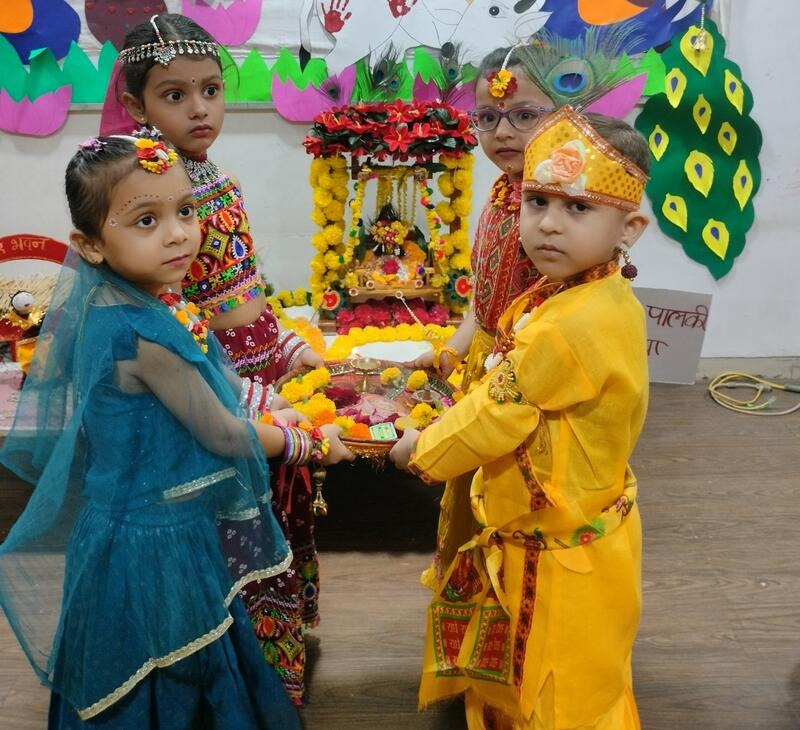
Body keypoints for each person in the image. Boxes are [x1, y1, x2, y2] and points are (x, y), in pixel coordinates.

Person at [0, 132, 353, 728]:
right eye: (146, 220)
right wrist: (310, 443)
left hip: (151, 522)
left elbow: (217, 378)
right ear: (89, 245)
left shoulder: (148, 300)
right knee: (173, 666)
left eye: (185, 211)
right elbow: (222, 435)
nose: (178, 234)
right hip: (151, 539)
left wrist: (269, 404)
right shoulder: (141, 332)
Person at [390, 106, 651, 729]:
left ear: (630, 227)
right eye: (537, 202)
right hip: (582, 524)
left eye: (578, 207)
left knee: (551, 691)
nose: (548, 225)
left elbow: (498, 415)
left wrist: (420, 450)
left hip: (555, 554)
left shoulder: (567, 325)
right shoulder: (591, 292)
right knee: (586, 673)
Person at [99, 14, 326, 704]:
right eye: (175, 95)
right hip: (203, 391)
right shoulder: (144, 195)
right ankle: (231, 682)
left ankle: (270, 664)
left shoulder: (214, 177)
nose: (200, 109)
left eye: (211, 90)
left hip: (256, 370)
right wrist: (249, 398)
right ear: (136, 105)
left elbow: (241, 286)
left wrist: (286, 344)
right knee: (228, 531)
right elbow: (166, 320)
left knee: (273, 516)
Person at [411, 45, 554, 587]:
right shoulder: (501, 194)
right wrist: (454, 348)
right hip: (487, 371)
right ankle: (472, 608)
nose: (503, 132)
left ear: (562, 114)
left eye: (524, 115)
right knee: (473, 498)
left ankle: (513, 612)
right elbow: (485, 301)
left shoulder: (556, 207)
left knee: (513, 510)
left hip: (530, 386)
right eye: (488, 117)